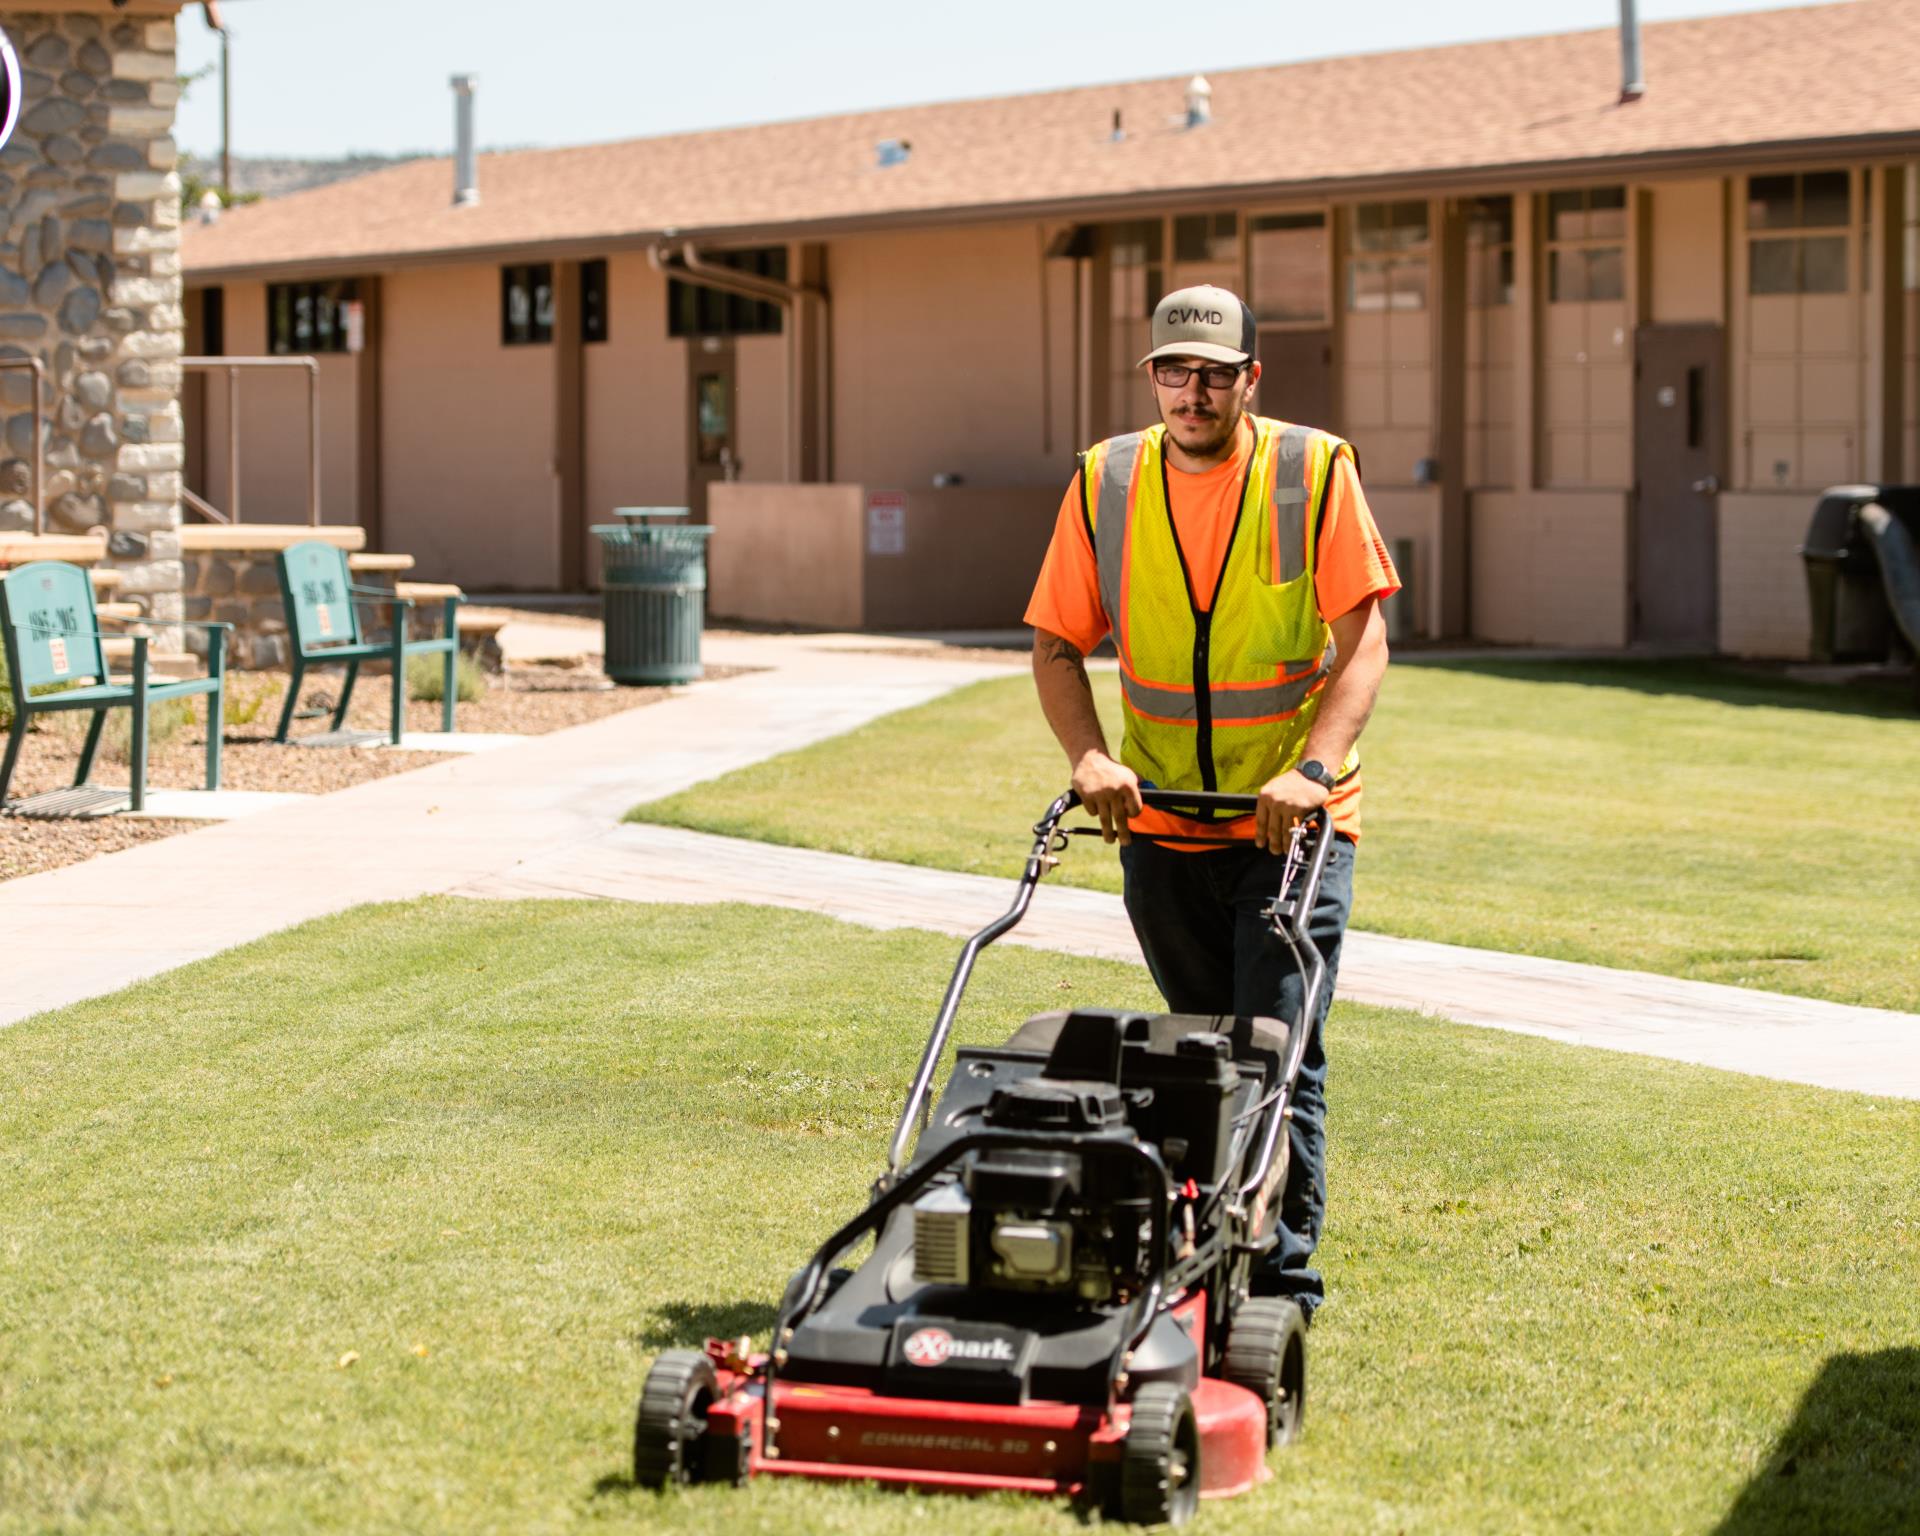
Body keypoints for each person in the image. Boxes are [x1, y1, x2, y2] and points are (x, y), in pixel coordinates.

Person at [1024, 283, 1398, 1323]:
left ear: (1250, 378)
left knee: (1277, 1048)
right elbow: (1058, 643)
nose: (1193, 392)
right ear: (1151, 374)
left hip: (1292, 824)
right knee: (1201, 1052)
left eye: (1216, 373)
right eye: (1174, 371)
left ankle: (1278, 1285)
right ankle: (1200, 1249)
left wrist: (1313, 771)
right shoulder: (1106, 480)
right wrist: (1090, 758)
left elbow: (1364, 638)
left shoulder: (1310, 471)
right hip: (1162, 823)